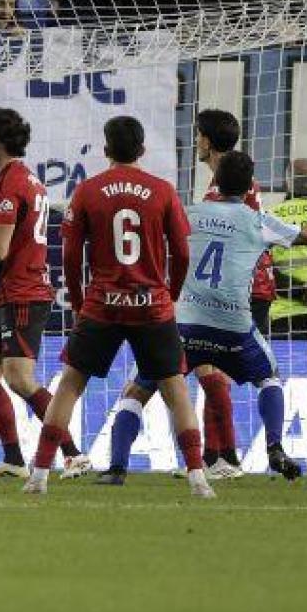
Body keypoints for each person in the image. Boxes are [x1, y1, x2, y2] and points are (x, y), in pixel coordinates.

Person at [100, 152, 307, 485]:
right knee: (270, 378)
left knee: (136, 391)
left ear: (216, 182)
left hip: (184, 325)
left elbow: (148, 243)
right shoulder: (257, 219)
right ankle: (274, 447)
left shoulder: (189, 213)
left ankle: (117, 468)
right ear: (250, 187)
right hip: (233, 327)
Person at [32, 115, 211, 498]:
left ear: (106, 149)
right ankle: (198, 477)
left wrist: (78, 301)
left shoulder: (87, 191)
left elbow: (69, 255)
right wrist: (171, 293)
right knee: (175, 387)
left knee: (70, 385)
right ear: (142, 149)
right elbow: (182, 252)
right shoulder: (163, 191)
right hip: (152, 305)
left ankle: (40, 474)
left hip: (102, 305)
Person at [0, 108, 92, 479]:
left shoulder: (7, 184)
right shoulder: (29, 180)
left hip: (25, 294)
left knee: (20, 379)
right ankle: (12, 459)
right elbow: (22, 251)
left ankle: (73, 454)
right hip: (14, 289)